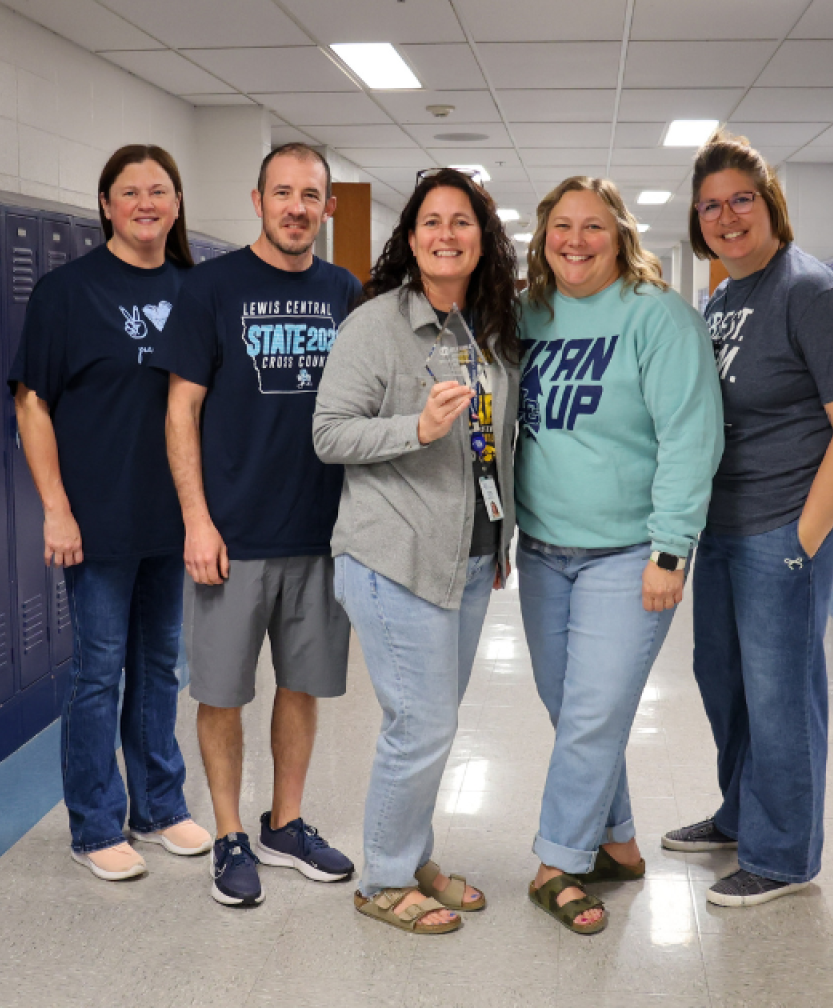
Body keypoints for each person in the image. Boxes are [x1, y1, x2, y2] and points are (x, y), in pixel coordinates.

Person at [664, 130, 833, 908]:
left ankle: (782, 856)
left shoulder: (810, 292)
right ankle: (739, 815)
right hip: (724, 523)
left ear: (770, 203)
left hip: (786, 520)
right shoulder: (723, 295)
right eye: (711, 206)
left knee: (781, 690)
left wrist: (803, 542)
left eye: (740, 200)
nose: (726, 216)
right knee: (723, 678)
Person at [311, 167, 521, 934]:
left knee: (435, 721)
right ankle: (385, 877)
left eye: (460, 222)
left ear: (481, 238)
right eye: (430, 222)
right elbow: (328, 433)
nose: (445, 235)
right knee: (423, 724)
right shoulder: (374, 326)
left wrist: (500, 540)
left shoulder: (489, 326)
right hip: (392, 554)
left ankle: (414, 856)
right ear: (409, 238)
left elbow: (500, 445)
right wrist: (418, 429)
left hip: (466, 556)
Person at [514, 176, 723, 934]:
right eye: (562, 227)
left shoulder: (658, 319)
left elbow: (691, 437)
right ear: (543, 237)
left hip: (627, 551)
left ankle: (556, 863)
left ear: (620, 236)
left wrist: (671, 550)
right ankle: (621, 845)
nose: (576, 241)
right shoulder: (525, 315)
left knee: (594, 713)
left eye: (593, 227)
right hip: (540, 550)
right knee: (574, 712)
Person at [157, 143, 363, 907]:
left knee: (302, 688)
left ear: (327, 207)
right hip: (232, 536)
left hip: (319, 534)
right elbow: (181, 410)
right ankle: (229, 832)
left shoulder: (346, 290)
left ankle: (287, 821)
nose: (296, 207)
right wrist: (197, 521)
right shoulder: (211, 288)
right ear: (258, 200)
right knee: (222, 693)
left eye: (311, 195)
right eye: (283, 192)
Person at [10, 145, 212, 881]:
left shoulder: (198, 289)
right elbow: (31, 403)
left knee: (162, 665)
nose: (146, 203)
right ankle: (95, 824)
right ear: (105, 205)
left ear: (177, 203)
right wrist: (55, 508)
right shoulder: (67, 291)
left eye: (160, 190)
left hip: (175, 515)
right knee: (99, 672)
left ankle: (159, 806)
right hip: (96, 516)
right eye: (131, 192)